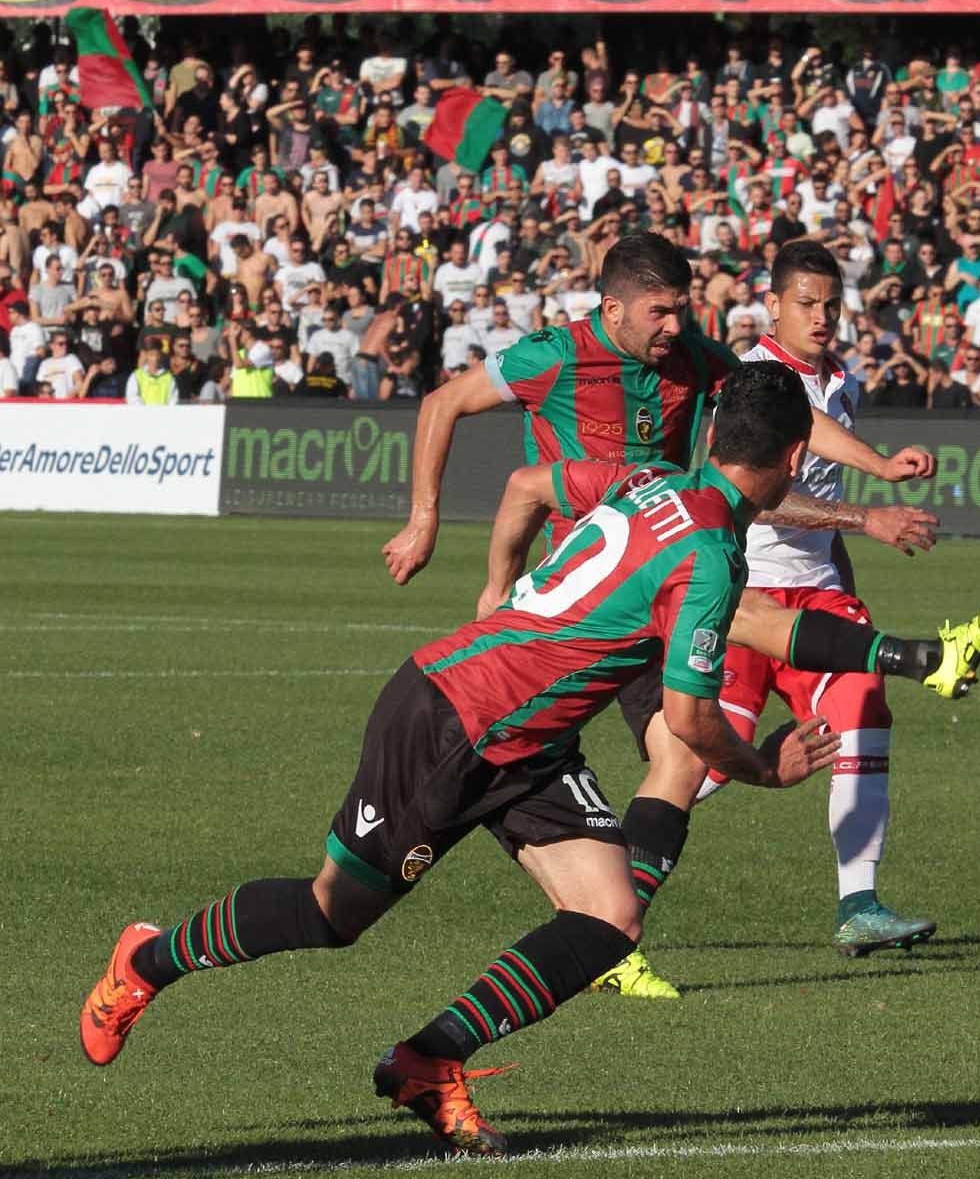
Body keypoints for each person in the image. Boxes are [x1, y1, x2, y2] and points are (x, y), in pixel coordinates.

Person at [80, 363, 844, 1156]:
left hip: (529, 739)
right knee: (331, 915)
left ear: (714, 434)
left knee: (611, 914)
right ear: (793, 460)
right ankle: (147, 958)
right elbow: (688, 717)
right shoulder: (715, 555)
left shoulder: (650, 480)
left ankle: (428, 1060)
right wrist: (762, 766)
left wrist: (499, 586)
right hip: (454, 722)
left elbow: (526, 484)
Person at [379, 233, 980, 997]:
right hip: (581, 602)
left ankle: (611, 936)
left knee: (685, 753)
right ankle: (920, 661)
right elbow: (446, 405)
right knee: (521, 761)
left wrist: (876, 470)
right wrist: (427, 521)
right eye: (662, 313)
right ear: (613, 307)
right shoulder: (551, 356)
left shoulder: (702, 362)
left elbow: (788, 419)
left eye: (683, 310)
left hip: (669, 576)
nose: (677, 327)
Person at [702, 240, 966, 956]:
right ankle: (605, 885)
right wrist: (873, 499)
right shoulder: (753, 382)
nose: (821, 318)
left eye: (830, 305)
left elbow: (825, 506)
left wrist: (847, 591)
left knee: (863, 709)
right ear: (774, 306)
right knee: (705, 756)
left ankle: (861, 904)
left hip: (816, 593)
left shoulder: (840, 384)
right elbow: (751, 500)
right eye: (806, 304)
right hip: (740, 596)